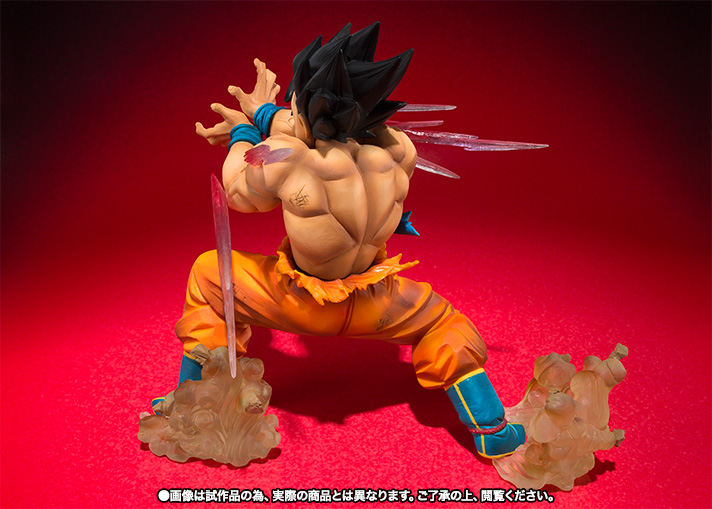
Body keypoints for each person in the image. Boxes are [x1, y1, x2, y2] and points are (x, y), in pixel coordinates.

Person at [158, 23, 525, 459]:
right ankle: (492, 429)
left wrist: (244, 131)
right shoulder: (399, 151)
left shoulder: (289, 159)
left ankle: (195, 403)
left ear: (304, 106)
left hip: (298, 302)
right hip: (376, 304)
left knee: (208, 275)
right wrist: (265, 113)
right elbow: (314, 128)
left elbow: (238, 192)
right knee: (444, 324)